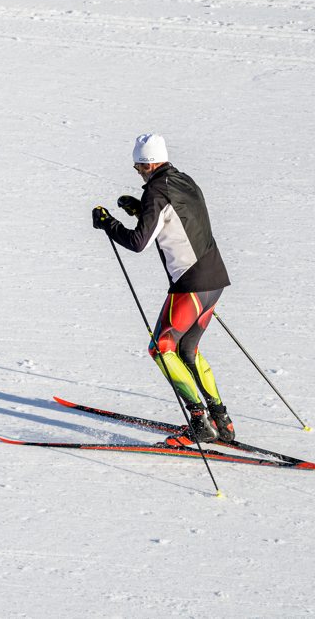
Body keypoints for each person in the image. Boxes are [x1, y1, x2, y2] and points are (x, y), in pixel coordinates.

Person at [91, 134, 233, 443]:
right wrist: (141, 211)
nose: (138, 171)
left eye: (138, 166)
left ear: (149, 163)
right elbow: (177, 218)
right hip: (214, 280)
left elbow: (139, 242)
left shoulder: (155, 192)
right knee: (187, 350)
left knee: (161, 348)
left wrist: (109, 224)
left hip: (190, 286)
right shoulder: (184, 180)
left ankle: (199, 423)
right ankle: (222, 421)